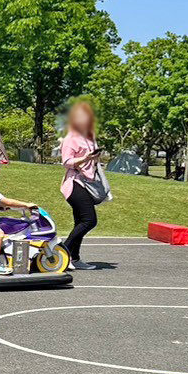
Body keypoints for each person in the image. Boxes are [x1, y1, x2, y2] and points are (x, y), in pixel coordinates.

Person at [60, 99, 103, 271]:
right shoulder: (71, 138)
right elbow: (66, 162)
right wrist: (85, 158)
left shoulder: (90, 138)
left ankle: (75, 258)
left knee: (80, 220)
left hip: (87, 182)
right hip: (74, 182)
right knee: (89, 220)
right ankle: (63, 251)